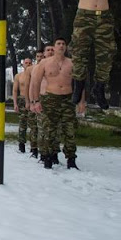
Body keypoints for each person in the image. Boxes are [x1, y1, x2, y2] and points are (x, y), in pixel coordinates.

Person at [58, 0, 121, 109]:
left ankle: (99, 87)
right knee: (79, 52)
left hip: (104, 17)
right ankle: (79, 85)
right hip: (84, 16)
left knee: (106, 53)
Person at [29, 38, 85, 170]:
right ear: (54, 47)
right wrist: (35, 101)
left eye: (63, 44)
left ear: (66, 47)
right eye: (58, 43)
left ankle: (71, 159)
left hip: (68, 99)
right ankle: (48, 157)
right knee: (49, 130)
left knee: (69, 130)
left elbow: (80, 84)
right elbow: (35, 82)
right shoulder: (44, 63)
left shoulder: (72, 63)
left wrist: (81, 102)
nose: (61, 45)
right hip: (50, 99)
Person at [23, 49, 44, 158]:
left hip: (45, 100)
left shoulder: (48, 67)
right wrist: (28, 101)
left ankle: (45, 150)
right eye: (38, 56)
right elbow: (27, 86)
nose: (40, 58)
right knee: (34, 126)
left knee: (44, 127)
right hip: (33, 100)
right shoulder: (31, 69)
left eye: (42, 56)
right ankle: (34, 148)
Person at [12, 57, 33, 153]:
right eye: (26, 63)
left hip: (33, 100)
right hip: (22, 100)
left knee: (34, 124)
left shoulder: (35, 75)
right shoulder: (18, 76)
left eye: (30, 63)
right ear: (23, 64)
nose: (28, 64)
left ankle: (34, 146)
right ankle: (21, 145)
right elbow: (15, 90)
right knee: (22, 123)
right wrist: (15, 103)